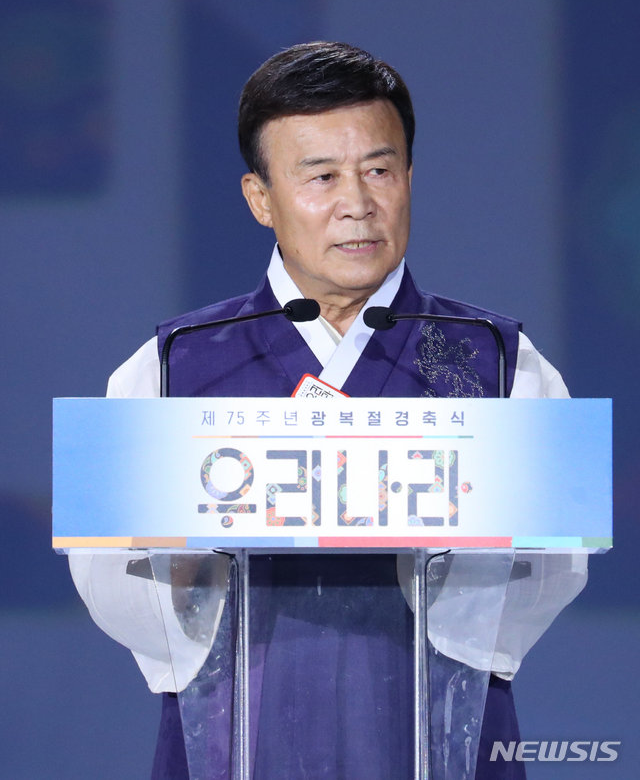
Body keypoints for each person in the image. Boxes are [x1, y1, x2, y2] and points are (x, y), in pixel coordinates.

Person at [69, 42, 587, 780]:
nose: (358, 204)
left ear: (410, 178)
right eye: (321, 177)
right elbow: (108, 575)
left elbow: (554, 570)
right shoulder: (172, 366)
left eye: (379, 170)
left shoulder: (501, 363)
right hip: (237, 736)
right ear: (260, 198)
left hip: (437, 735)